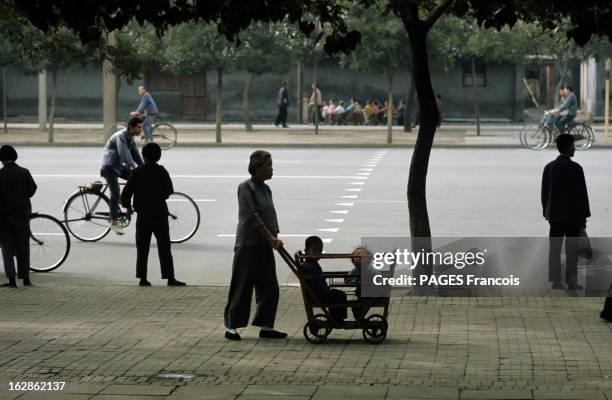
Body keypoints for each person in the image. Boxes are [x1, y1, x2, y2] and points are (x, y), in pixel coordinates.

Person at [224, 150, 286, 341]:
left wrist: (274, 236)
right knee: (242, 287)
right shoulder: (246, 188)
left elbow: (268, 215)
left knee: (270, 287)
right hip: (248, 245)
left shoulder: (266, 189)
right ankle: (232, 327)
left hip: (265, 245)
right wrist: (271, 238)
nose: (272, 168)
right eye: (268, 165)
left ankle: (266, 326)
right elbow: (253, 217)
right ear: (257, 167)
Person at [120, 142, 185, 287]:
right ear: (159, 156)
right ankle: (170, 278)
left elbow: (126, 192)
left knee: (142, 247)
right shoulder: (162, 171)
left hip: (143, 215)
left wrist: (128, 208)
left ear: (143, 156)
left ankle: (143, 278)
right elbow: (168, 191)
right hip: (159, 213)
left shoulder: (137, 171)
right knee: (164, 247)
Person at [541, 133, 590, 290]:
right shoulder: (576, 168)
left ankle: (556, 281)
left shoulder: (549, 167)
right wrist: (583, 219)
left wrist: (546, 213)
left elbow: (544, 193)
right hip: (572, 218)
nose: (574, 149)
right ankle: (572, 281)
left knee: (555, 250)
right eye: (573, 146)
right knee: (572, 250)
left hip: (554, 217)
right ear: (568, 147)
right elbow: (581, 195)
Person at [100, 116, 145, 235]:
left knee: (136, 179)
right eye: (139, 127)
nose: (141, 130)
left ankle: (123, 199)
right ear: (131, 127)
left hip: (118, 166)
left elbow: (135, 154)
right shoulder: (121, 136)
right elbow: (124, 152)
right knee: (115, 192)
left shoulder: (130, 138)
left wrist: (145, 167)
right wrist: (133, 166)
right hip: (109, 167)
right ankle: (113, 221)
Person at [0, 145, 37, 288]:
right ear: (15, 157)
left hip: (4, 219)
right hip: (22, 216)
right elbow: (32, 190)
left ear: (1, 160)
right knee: (23, 247)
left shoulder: (0, 174)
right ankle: (26, 279)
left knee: (7, 249)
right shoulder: (24, 172)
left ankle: (11, 280)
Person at [299, 236, 347, 322]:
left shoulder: (311, 264)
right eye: (314, 251)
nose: (318, 253)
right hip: (318, 295)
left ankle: (336, 317)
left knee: (338, 294)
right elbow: (317, 284)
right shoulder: (310, 267)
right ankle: (337, 318)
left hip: (318, 293)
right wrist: (326, 289)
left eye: (320, 251)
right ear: (306, 251)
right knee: (339, 296)